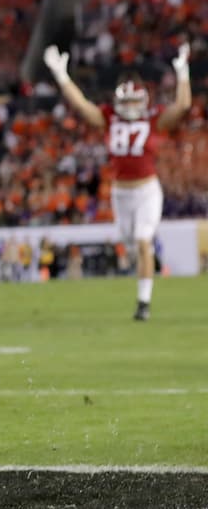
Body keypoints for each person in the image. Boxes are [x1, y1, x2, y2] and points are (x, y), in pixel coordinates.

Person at [43, 44, 192, 320]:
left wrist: (183, 72)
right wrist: (61, 75)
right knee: (131, 243)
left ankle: (143, 304)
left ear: (144, 101)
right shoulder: (109, 118)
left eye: (137, 103)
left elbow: (182, 105)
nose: (132, 108)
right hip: (120, 193)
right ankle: (149, 269)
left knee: (142, 240)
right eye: (128, 103)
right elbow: (82, 106)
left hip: (147, 189)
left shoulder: (154, 119)